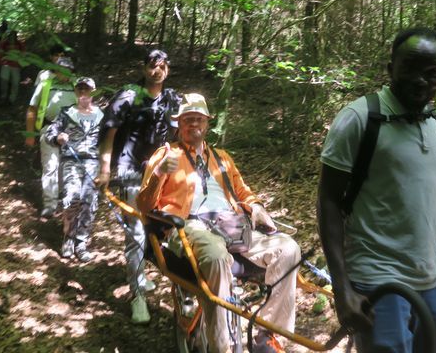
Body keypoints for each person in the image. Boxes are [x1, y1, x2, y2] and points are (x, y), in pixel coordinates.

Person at [317, 27, 436, 353]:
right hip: (377, 282)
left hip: (429, 284)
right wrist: (343, 289)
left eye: (432, 73)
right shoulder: (359, 118)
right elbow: (328, 201)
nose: (420, 80)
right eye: (410, 67)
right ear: (391, 68)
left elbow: (425, 207)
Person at [137, 93, 301, 353]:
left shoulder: (222, 158)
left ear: (207, 123)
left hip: (231, 223)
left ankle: (267, 337)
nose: (194, 125)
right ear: (179, 123)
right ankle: (222, 346)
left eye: (199, 119)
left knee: (289, 249)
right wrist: (158, 175)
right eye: (188, 119)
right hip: (190, 225)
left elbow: (244, 191)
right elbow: (144, 206)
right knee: (215, 256)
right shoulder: (166, 154)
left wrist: (256, 207)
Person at [98, 49, 181, 324]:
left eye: (162, 66)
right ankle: (137, 296)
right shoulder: (129, 95)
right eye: (152, 65)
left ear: (167, 70)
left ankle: (144, 278)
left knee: (160, 230)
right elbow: (109, 132)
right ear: (144, 68)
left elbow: (182, 133)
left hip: (161, 174)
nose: (157, 70)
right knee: (135, 233)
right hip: (130, 172)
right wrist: (105, 170)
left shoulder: (172, 99)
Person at [45, 77, 104, 262]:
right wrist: (58, 138)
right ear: (76, 91)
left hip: (93, 163)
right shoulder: (66, 113)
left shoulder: (102, 115)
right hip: (71, 160)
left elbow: (109, 141)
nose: (83, 93)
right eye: (80, 89)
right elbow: (49, 134)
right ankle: (68, 237)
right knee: (72, 197)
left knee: (89, 200)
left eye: (87, 89)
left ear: (93, 92)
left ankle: (81, 242)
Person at [25, 56, 76, 218]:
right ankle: (49, 204)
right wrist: (30, 134)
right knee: (50, 166)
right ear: (56, 71)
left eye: (69, 70)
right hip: (48, 129)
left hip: (71, 133)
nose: (65, 73)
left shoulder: (77, 87)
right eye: (62, 70)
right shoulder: (45, 84)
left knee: (65, 167)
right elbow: (32, 109)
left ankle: (61, 198)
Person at [0, 29, 25, 105]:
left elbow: (24, 54)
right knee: (3, 80)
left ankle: (12, 99)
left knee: (15, 83)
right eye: (10, 36)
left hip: (16, 66)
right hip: (6, 64)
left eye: (13, 36)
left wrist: (18, 58)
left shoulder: (20, 44)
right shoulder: (4, 43)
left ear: (16, 36)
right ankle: (3, 97)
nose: (12, 38)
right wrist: (2, 59)